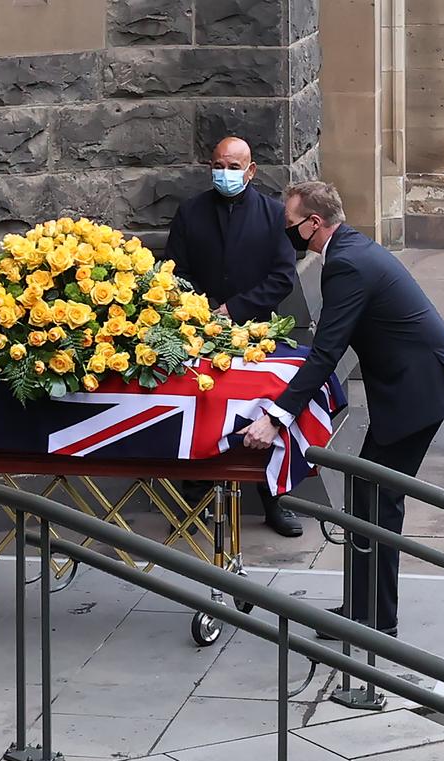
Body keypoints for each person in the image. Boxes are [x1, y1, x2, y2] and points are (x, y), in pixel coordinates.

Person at [239, 180, 444, 636]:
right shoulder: (349, 251)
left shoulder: (345, 264)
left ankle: (374, 620)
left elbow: (326, 352)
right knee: (368, 493)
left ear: (315, 223)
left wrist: (275, 418)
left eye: (291, 224)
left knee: (377, 497)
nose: (286, 233)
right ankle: (364, 610)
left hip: (422, 390)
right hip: (418, 384)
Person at [165, 136, 302, 537]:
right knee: (201, 403)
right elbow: (175, 271)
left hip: (254, 328)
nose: (224, 173)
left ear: (251, 170)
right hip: (198, 328)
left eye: (232, 167)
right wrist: (202, 310)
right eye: (217, 165)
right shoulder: (191, 212)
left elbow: (282, 276)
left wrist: (234, 310)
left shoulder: (274, 215)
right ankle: (196, 496)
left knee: (265, 411)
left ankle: (273, 500)